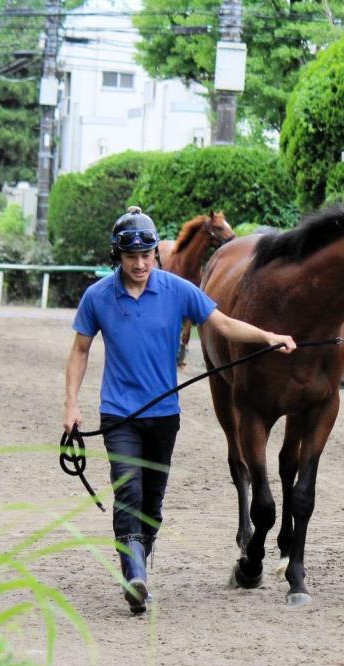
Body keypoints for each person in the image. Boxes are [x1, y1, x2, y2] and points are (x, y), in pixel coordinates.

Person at [63, 206, 296, 615]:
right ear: (116, 256)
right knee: (128, 492)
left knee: (152, 502)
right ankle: (134, 575)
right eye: (131, 257)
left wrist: (268, 336)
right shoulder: (97, 296)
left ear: (155, 253)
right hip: (119, 414)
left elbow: (222, 324)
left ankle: (140, 564)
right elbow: (80, 351)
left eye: (147, 255)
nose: (139, 264)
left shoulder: (176, 290)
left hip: (164, 416)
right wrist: (70, 406)